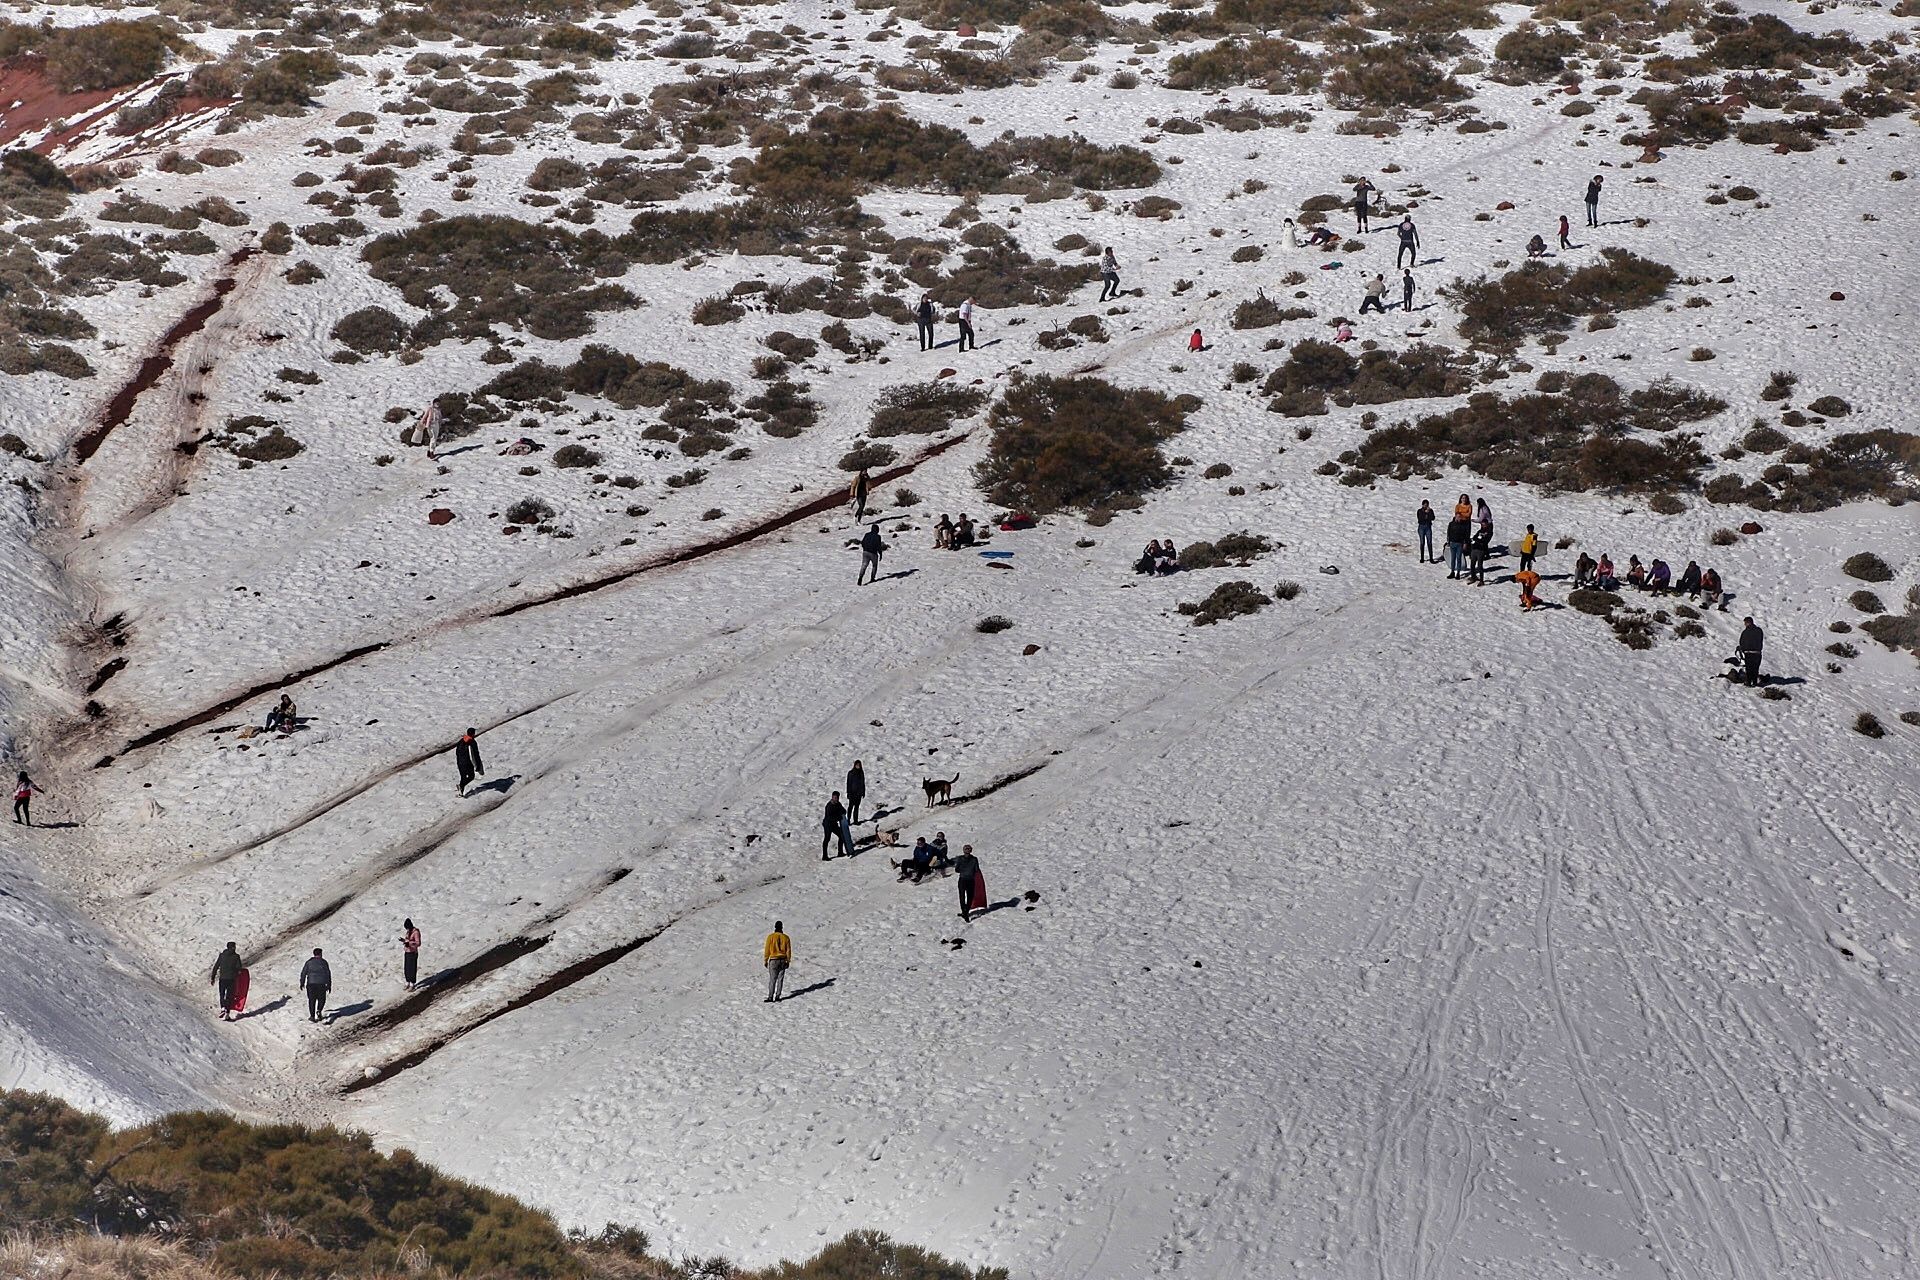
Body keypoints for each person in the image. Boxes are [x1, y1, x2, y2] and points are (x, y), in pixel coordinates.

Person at [210, 942, 243, 1021]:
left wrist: (213, 978)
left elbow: (216, 967)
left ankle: (223, 1008)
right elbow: (239, 968)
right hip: (231, 979)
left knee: (222, 994)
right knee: (229, 996)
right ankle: (227, 1013)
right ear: (233, 947)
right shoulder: (236, 956)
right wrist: (238, 972)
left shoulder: (222, 956)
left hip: (222, 979)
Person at [299, 947, 331, 1023]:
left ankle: (312, 1016)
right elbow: (328, 974)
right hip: (321, 983)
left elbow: (303, 973)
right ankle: (319, 1010)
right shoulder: (324, 962)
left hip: (311, 984)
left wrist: (302, 982)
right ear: (320, 954)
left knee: (311, 1000)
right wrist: (329, 985)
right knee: (322, 999)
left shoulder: (308, 962)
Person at [953, 844, 984, 922]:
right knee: (966, 896)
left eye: (968, 849)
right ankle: (965, 912)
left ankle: (965, 912)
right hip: (967, 879)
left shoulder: (963, 859)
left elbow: (957, 870)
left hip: (965, 879)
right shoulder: (974, 859)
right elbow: (976, 870)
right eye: (966, 849)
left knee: (965, 896)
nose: (967, 851)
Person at [764, 921, 791, 1002]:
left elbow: (767, 949)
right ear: (782, 927)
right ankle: (778, 996)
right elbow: (788, 950)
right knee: (780, 979)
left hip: (773, 960)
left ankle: (770, 997)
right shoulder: (786, 937)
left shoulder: (771, 937)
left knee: (772, 979)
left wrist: (765, 960)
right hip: (782, 960)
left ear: (775, 927)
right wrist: (788, 960)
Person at [821, 790, 852, 860]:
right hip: (828, 825)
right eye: (834, 797)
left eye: (837, 797)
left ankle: (840, 852)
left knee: (841, 836)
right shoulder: (829, 806)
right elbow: (829, 817)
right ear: (832, 797)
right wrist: (838, 817)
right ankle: (824, 856)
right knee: (827, 839)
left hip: (834, 824)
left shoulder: (838, 804)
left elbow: (843, 810)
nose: (836, 799)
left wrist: (842, 813)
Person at [454, 728, 484, 797]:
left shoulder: (461, 741)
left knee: (463, 777)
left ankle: (460, 790)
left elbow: (457, 752)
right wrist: (478, 766)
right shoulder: (472, 742)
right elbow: (475, 755)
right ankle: (461, 786)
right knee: (471, 776)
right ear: (473, 734)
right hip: (467, 763)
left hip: (460, 762)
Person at [1736, 616, 1764, 686]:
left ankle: (1749, 682)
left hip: (1748, 653)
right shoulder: (1759, 630)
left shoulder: (1745, 632)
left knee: (1749, 668)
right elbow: (1760, 640)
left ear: (1747, 623)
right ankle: (1755, 682)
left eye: (1745, 623)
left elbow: (1741, 642)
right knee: (1755, 668)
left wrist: (1742, 648)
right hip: (1757, 653)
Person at [1445, 512, 1470, 580]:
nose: (1458, 518)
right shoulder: (1451, 524)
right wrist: (1448, 541)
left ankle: (1458, 573)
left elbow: (1466, 535)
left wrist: (1465, 543)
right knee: (1453, 558)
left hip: (1459, 543)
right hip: (1452, 543)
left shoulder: (1463, 525)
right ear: (1455, 517)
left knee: (1458, 558)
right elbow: (1448, 533)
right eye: (1457, 516)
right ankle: (1452, 572)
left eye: (1459, 517)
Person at [402, 919, 422, 991]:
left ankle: (412, 983)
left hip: (413, 952)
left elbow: (418, 943)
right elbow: (407, 940)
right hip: (407, 951)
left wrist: (409, 943)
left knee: (412, 968)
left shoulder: (416, 932)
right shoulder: (408, 932)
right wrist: (404, 941)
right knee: (406, 968)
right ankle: (407, 981)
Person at [846, 759, 867, 825]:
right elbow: (848, 784)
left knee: (856, 808)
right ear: (854, 765)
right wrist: (848, 793)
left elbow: (863, 783)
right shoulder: (851, 773)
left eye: (859, 765)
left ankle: (855, 820)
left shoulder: (861, 773)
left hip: (859, 793)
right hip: (852, 793)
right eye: (857, 765)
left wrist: (863, 792)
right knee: (850, 807)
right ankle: (848, 820)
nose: (858, 766)